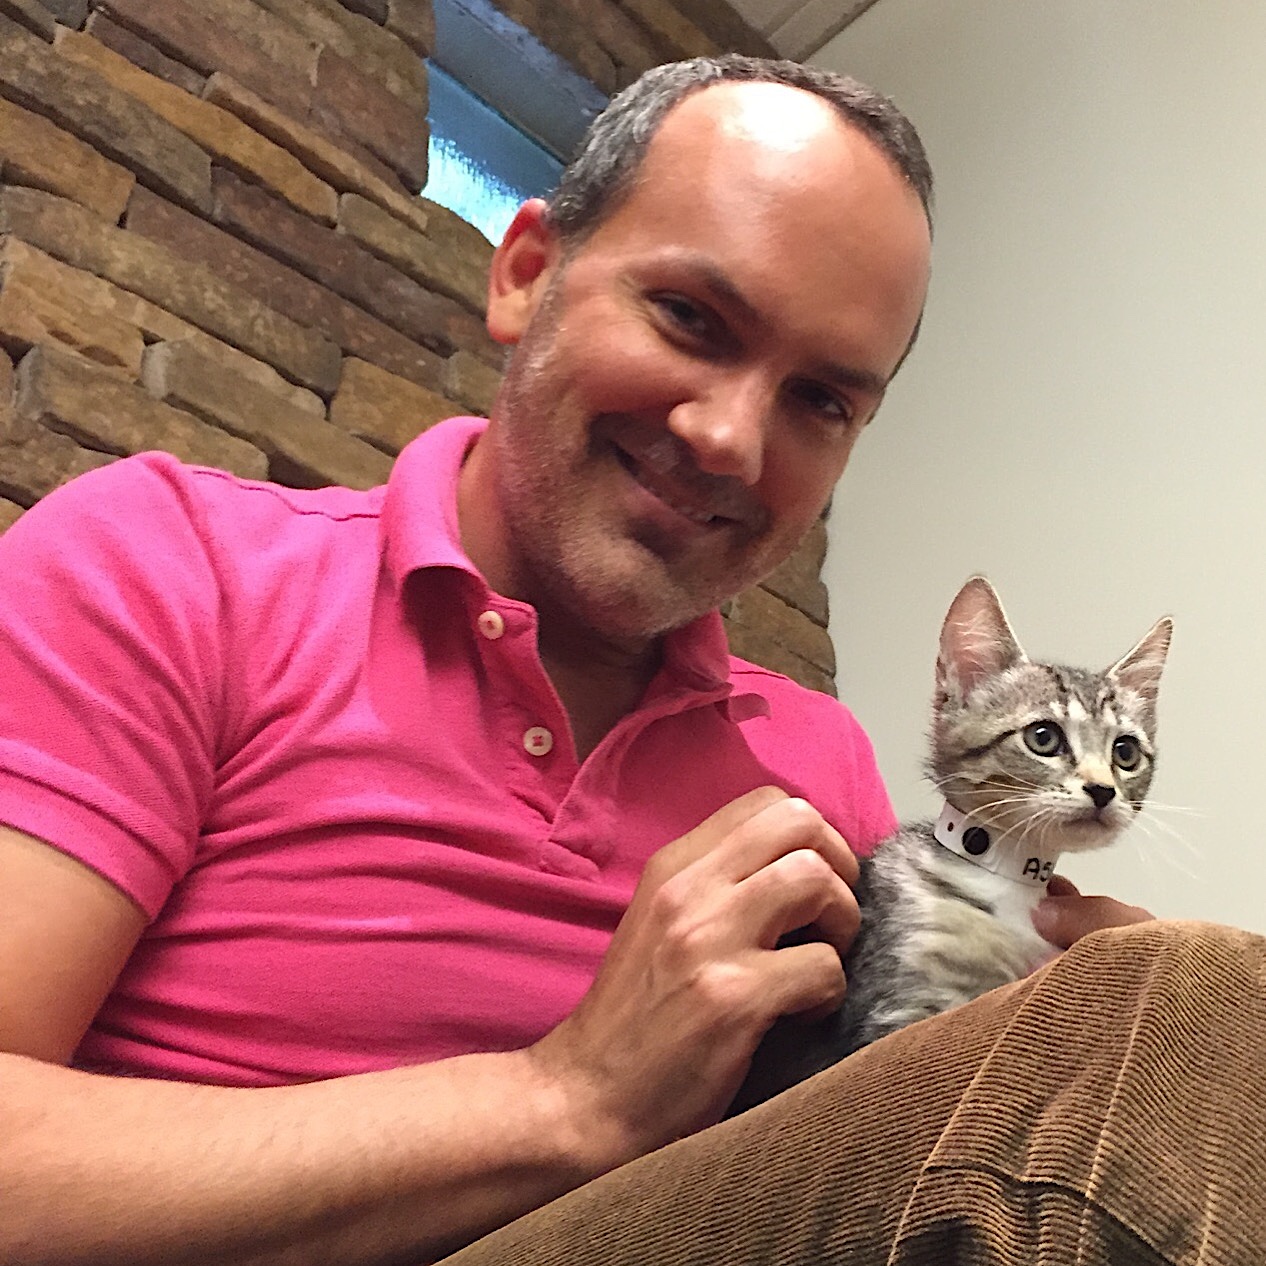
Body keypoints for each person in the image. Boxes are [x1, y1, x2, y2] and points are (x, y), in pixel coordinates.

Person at [0, 53, 1262, 1266]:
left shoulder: (816, 761)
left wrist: (1079, 1041)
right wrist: (568, 1099)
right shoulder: (167, 561)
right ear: (524, 274)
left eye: (821, 400)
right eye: (690, 319)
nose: (729, 440)